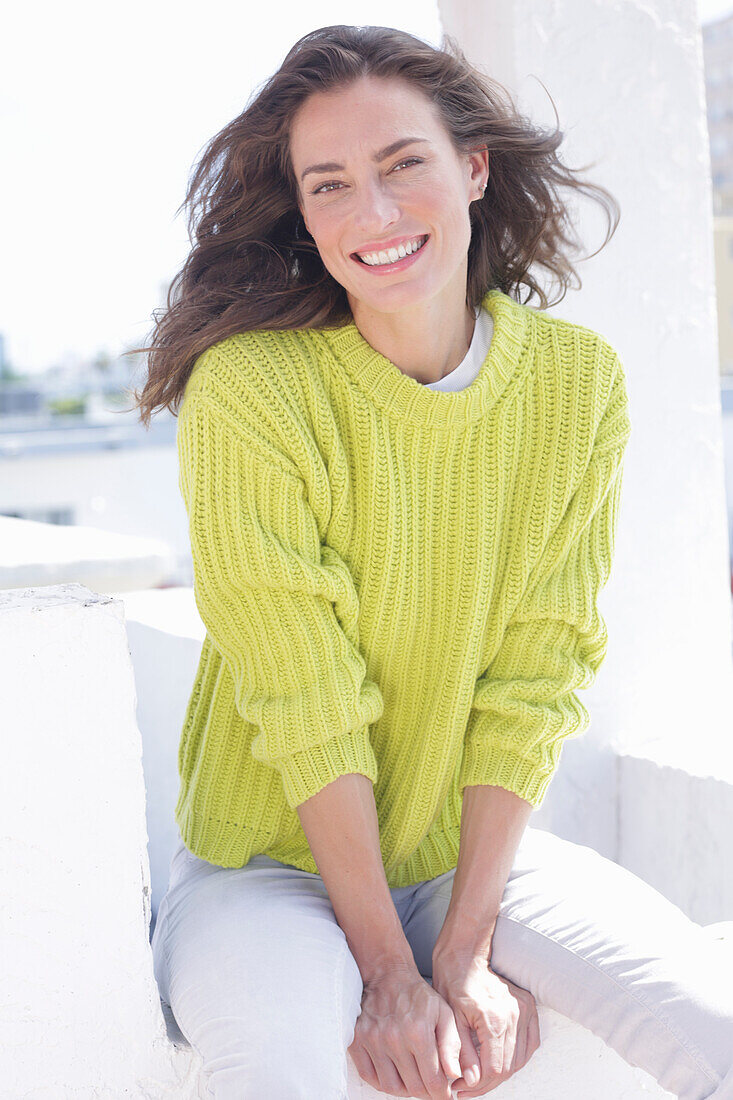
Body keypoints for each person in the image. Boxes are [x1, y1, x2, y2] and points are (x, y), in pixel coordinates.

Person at [130, 23, 733, 1100]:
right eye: (329, 186)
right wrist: (390, 970)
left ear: (473, 166)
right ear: (303, 215)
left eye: (402, 163)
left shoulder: (574, 383)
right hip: (262, 871)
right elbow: (304, 695)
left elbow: (536, 672)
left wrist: (461, 948)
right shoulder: (251, 391)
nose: (373, 213)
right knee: (278, 1070)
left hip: (464, 859)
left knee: (715, 1021)